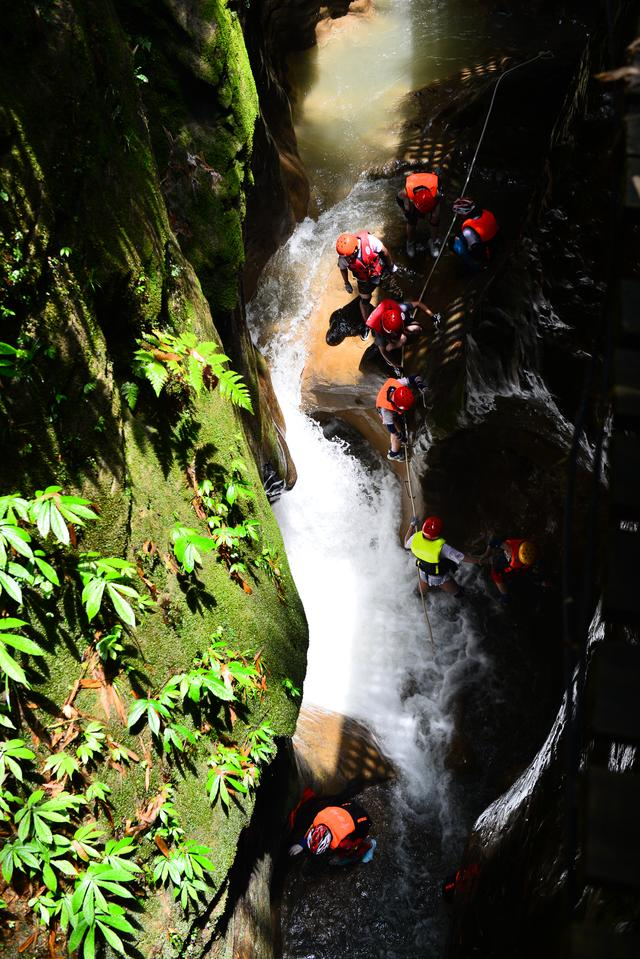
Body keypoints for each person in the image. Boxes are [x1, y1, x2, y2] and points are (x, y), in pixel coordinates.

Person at [288, 790, 376, 866]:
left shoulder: (340, 842)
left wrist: (343, 855)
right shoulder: (319, 818)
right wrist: (302, 844)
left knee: (341, 856)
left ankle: (371, 845)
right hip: (349, 806)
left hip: (362, 820)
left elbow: (351, 846)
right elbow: (312, 828)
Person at [404, 515, 484, 597]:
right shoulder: (443, 548)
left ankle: (419, 596)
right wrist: (481, 560)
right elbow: (463, 558)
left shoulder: (415, 538)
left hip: (423, 572)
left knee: (421, 593)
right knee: (458, 592)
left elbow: (406, 544)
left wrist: (412, 525)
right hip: (438, 578)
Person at [336, 231, 397, 325]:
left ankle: (400, 307)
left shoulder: (370, 241)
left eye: (349, 256)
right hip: (363, 279)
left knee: (393, 289)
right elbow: (343, 269)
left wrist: (391, 267)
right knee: (365, 300)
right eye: (345, 257)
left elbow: (384, 252)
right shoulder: (343, 257)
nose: (347, 259)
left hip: (380, 271)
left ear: (355, 249)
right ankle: (368, 323)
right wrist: (346, 283)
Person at [366, 298, 442, 370]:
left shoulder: (399, 308)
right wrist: (395, 365)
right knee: (399, 342)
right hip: (391, 339)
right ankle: (379, 347)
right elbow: (383, 352)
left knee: (417, 329)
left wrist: (433, 316)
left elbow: (418, 303)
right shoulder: (380, 333)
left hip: (403, 324)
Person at [376, 374, 426, 461]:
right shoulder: (386, 411)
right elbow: (391, 428)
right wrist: (400, 436)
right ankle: (394, 454)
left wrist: (421, 385)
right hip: (383, 409)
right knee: (397, 434)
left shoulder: (398, 384)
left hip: (389, 402)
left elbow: (415, 377)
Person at [396, 170, 443, 258]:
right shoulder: (406, 193)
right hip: (415, 182)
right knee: (411, 217)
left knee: (435, 217)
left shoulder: (436, 194)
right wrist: (404, 211)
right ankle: (410, 242)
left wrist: (435, 213)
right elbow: (398, 199)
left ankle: (433, 241)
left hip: (430, 181)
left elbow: (438, 202)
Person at [483, 537, 540, 604]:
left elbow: (527, 569)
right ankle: (505, 595)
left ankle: (506, 595)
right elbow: (494, 540)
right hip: (504, 561)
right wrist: (485, 554)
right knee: (495, 574)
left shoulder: (530, 553)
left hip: (515, 566)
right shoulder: (510, 547)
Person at [450, 197, 499, 271]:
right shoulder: (486, 213)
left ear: (463, 214)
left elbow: (476, 250)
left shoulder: (467, 231)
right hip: (494, 241)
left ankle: (476, 267)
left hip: (486, 253)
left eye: (458, 214)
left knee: (457, 244)